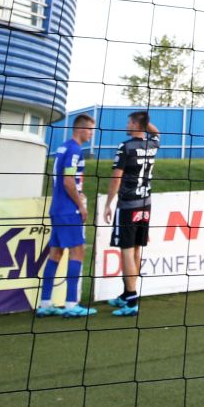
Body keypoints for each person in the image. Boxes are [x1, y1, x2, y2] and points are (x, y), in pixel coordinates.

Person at [102, 110, 161, 317]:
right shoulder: (152, 144)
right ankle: (128, 293)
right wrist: (146, 123)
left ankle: (132, 299)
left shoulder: (125, 147)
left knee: (126, 250)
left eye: (130, 122)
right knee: (136, 249)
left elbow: (116, 178)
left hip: (127, 205)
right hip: (145, 205)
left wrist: (108, 204)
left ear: (136, 124)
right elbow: (156, 132)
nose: (126, 125)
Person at [38, 113, 96, 318]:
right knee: (78, 252)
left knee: (55, 254)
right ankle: (71, 304)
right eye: (90, 129)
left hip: (57, 208)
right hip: (68, 210)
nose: (91, 134)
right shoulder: (74, 150)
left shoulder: (62, 147)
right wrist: (81, 205)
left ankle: (45, 303)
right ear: (80, 129)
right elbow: (68, 181)